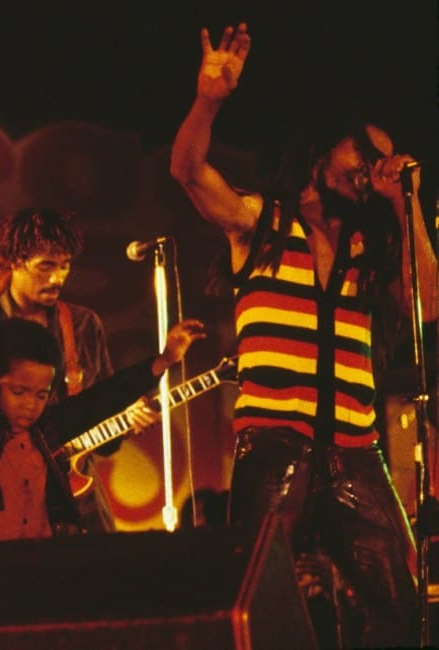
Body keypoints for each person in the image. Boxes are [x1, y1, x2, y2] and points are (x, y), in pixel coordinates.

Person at [169, 22, 436, 648]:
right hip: (274, 447)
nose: (372, 168)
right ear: (323, 149)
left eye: (383, 159)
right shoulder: (263, 222)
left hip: (356, 451)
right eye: (364, 153)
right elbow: (188, 172)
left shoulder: (371, 248)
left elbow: (428, 303)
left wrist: (405, 203)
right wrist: (207, 102)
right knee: (259, 612)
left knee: (403, 610)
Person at [0, 208, 158, 534]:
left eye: (65, 266)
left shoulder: (84, 325)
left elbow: (102, 436)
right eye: (45, 266)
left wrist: (126, 421)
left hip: (75, 508)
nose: (57, 278)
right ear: (13, 263)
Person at [0, 315, 205, 542]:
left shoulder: (47, 432)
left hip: (41, 561)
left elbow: (105, 397)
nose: (30, 405)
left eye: (41, 395)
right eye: (19, 392)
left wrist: (164, 360)